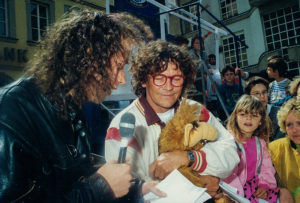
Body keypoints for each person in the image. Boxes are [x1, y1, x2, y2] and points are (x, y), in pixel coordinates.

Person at [0, 10, 164, 202]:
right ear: (90, 58)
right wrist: (101, 187)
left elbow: (70, 181)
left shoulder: (71, 107)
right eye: (118, 66)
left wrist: (135, 189)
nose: (121, 80)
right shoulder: (12, 113)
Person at [105, 40, 240, 200]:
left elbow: (231, 152)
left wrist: (189, 157)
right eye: (159, 78)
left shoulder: (196, 111)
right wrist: (197, 185)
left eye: (176, 79)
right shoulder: (124, 126)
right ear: (143, 80)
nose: (169, 87)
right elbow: (126, 193)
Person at [223, 95, 281, 203]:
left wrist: (264, 185)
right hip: (232, 189)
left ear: (260, 121)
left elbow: (266, 168)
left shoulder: (260, 143)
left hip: (254, 187)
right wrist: (238, 195)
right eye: (243, 114)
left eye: (254, 115)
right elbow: (228, 172)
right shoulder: (229, 141)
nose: (248, 118)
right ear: (236, 117)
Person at [269, 98, 300, 202]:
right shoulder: (277, 147)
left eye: (299, 123)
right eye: (289, 125)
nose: (295, 130)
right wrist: (279, 191)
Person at [244, 76, 285, 141]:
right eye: (257, 93)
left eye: (264, 92)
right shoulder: (244, 117)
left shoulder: (279, 113)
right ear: (248, 96)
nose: (262, 96)